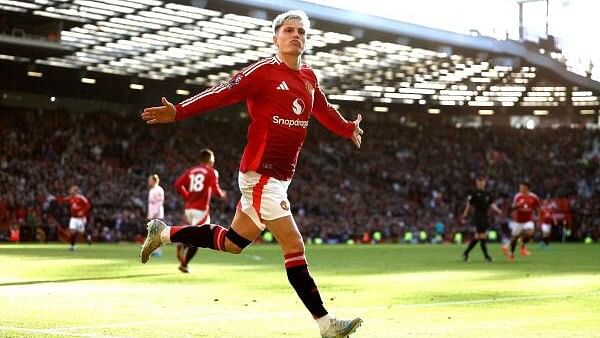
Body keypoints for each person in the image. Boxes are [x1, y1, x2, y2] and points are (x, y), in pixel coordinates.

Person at [140, 10, 363, 338]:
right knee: (294, 244)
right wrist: (180, 112)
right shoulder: (262, 72)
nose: (295, 35)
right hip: (261, 175)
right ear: (276, 38)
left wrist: (347, 129)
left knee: (233, 242)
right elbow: (222, 92)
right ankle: (326, 324)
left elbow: (324, 110)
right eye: (288, 30)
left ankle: (164, 233)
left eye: (301, 31)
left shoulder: (309, 79)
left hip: (279, 180)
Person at [174, 149, 226, 273]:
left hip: (189, 209)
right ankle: (184, 263)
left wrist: (187, 196)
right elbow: (215, 190)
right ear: (210, 160)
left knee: (194, 234)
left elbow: (178, 184)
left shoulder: (191, 171)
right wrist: (222, 195)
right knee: (200, 238)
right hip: (201, 209)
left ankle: (183, 243)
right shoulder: (211, 172)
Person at [461, 176, 502, 262]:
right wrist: (465, 213)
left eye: (482, 182)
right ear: (476, 183)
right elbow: (469, 204)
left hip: (485, 217)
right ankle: (486, 256)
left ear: (484, 183)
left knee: (478, 237)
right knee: (482, 236)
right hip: (478, 216)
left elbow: (491, 204)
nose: (480, 184)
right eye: (478, 182)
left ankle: (466, 253)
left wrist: (497, 210)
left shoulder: (487, 194)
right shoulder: (474, 193)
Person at [502, 182, 540, 261]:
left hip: (528, 220)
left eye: (521, 187)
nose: (520, 189)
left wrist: (538, 217)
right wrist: (518, 205)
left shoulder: (534, 197)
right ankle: (511, 253)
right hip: (518, 221)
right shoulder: (518, 196)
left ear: (526, 188)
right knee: (514, 239)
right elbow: (512, 208)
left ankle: (522, 246)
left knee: (530, 233)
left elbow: (538, 207)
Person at [53, 185, 91, 251]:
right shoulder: (71, 198)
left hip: (80, 218)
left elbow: (88, 205)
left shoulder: (81, 198)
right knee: (72, 232)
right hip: (73, 218)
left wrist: (82, 211)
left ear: (75, 191)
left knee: (81, 232)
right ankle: (73, 247)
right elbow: (63, 200)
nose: (70, 191)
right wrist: (55, 198)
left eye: (71, 190)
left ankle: (87, 236)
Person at [147, 174, 165, 257]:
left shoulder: (159, 189)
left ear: (154, 180)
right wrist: (149, 214)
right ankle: (154, 249)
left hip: (157, 214)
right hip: (152, 214)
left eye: (150, 180)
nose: (149, 182)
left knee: (157, 233)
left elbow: (159, 202)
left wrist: (154, 213)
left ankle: (158, 251)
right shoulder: (151, 190)